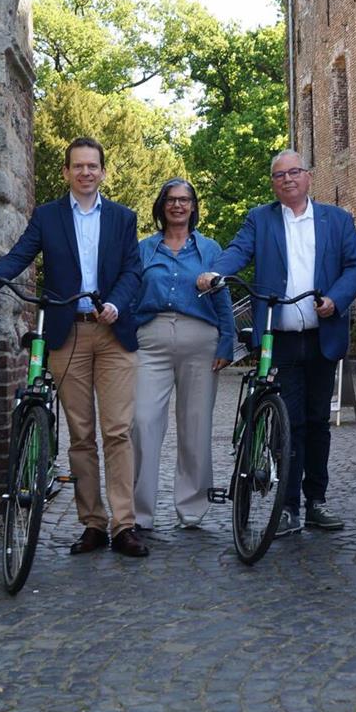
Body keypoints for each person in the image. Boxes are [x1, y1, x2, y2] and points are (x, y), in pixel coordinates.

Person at [0, 137, 148, 558]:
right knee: (81, 435)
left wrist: (116, 303)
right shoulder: (47, 216)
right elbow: (20, 255)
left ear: (102, 171)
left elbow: (133, 271)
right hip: (68, 333)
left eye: (92, 166)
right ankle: (93, 524)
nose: (85, 172)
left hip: (114, 333)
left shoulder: (123, 217)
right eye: (78, 166)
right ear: (66, 172)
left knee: (117, 432)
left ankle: (124, 525)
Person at [197, 149, 356, 536]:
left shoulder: (337, 220)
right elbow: (238, 251)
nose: (287, 180)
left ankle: (316, 502)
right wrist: (214, 273)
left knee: (318, 423)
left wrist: (335, 300)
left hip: (323, 336)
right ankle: (288, 506)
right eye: (279, 176)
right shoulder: (261, 219)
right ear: (273, 183)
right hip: (281, 338)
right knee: (289, 423)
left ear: (308, 176)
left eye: (294, 173)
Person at [130, 179, 235, 531]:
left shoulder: (209, 248)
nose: (177, 206)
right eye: (171, 200)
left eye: (184, 200)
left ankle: (191, 508)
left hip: (200, 340)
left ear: (193, 206)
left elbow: (222, 297)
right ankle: (139, 513)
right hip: (151, 339)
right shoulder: (145, 249)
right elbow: (131, 294)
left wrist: (226, 342)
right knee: (143, 422)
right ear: (161, 206)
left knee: (196, 427)